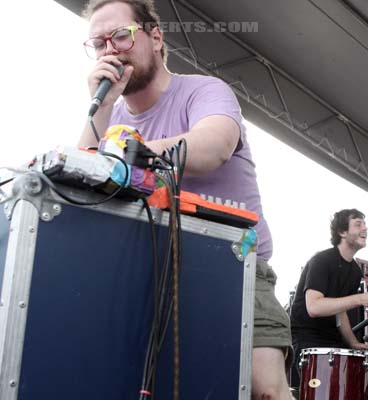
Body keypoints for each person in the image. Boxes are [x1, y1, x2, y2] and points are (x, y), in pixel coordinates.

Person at [79, 1, 292, 398]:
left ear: (155, 37)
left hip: (236, 265)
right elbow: (84, 182)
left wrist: (130, 156)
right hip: (151, 273)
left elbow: (215, 145)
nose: (110, 49)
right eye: (98, 42)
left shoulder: (203, 90)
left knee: (264, 386)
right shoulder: (112, 121)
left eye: (120, 35)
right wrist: (103, 111)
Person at [289, 209, 368, 387]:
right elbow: (314, 307)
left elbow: (341, 312)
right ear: (342, 232)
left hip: (333, 339)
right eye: (358, 224)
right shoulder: (322, 260)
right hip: (308, 338)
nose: (365, 228)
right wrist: (360, 299)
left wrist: (353, 342)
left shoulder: (355, 271)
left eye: (365, 224)